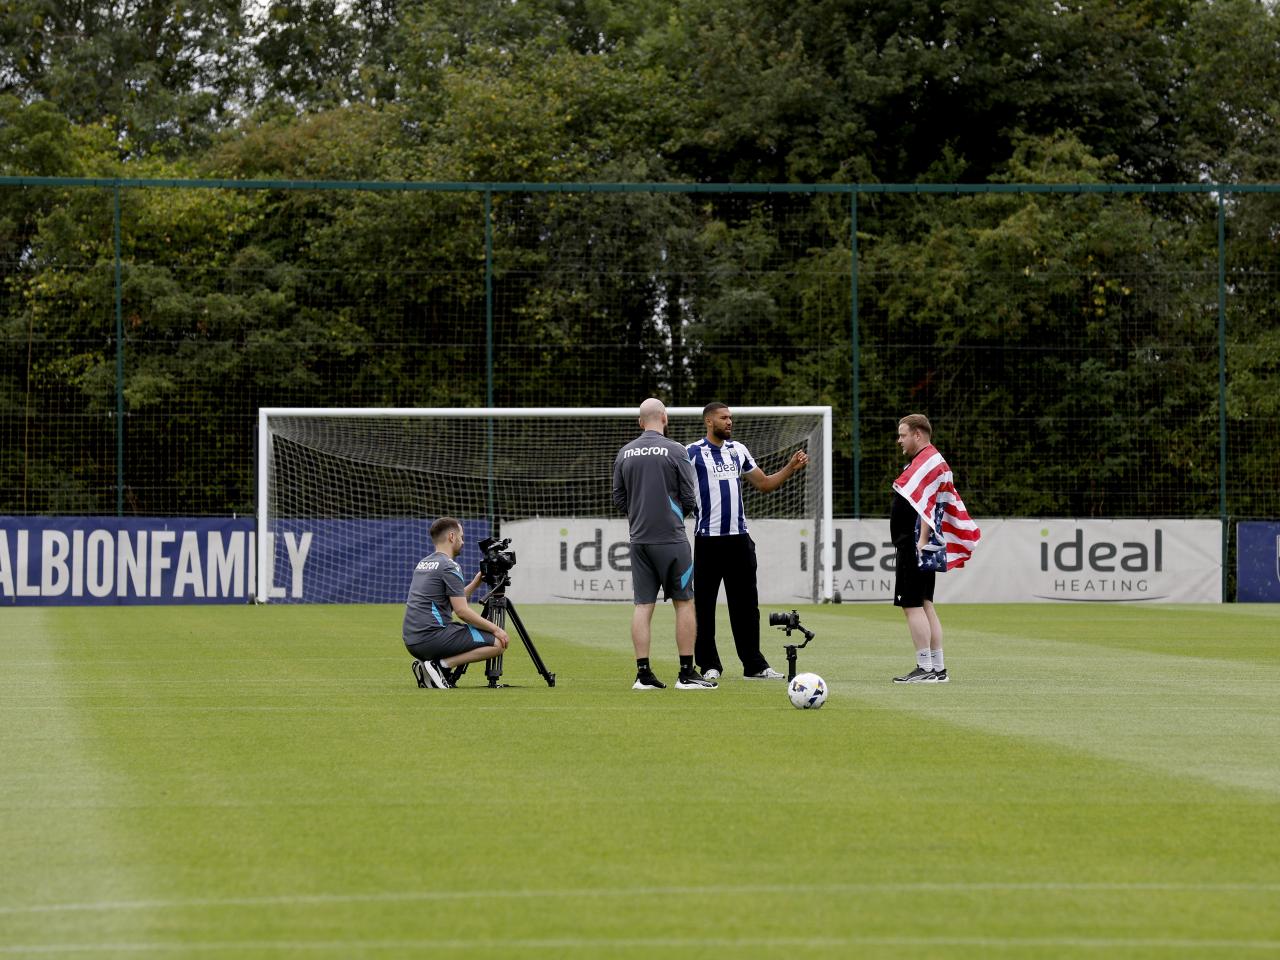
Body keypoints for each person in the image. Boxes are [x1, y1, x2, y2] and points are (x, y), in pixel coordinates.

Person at [686, 402, 809, 681]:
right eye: (723, 418)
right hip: (707, 542)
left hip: (739, 541)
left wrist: (790, 467)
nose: (729, 422)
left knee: (745, 606)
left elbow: (764, 484)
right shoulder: (691, 453)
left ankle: (754, 665)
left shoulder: (738, 450)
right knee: (703, 607)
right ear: (709, 422)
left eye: (730, 417)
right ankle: (708, 665)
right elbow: (676, 488)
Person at [612, 397, 716, 690]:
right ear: (665, 419)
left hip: (640, 539)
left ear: (640, 421)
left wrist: (640, 517)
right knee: (684, 602)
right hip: (671, 539)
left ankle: (643, 675)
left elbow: (618, 497)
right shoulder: (675, 450)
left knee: (643, 605)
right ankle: (686, 673)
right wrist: (673, 517)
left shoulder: (625, 452)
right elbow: (688, 496)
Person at [890, 413, 980, 684]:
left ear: (918, 434)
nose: (899, 440)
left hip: (914, 545)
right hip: (923, 545)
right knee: (926, 604)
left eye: (903, 435)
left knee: (912, 605)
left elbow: (928, 506)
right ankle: (937, 668)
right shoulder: (931, 461)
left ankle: (926, 669)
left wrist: (921, 541)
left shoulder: (927, 462)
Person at [403, 516, 509, 689]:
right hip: (431, 638)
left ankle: (428, 667)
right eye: (461, 537)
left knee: (479, 632)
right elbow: (462, 611)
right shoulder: (450, 566)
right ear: (452, 537)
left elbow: (449, 603)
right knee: (499, 643)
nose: (463, 541)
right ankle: (441, 666)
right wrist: (497, 629)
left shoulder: (424, 563)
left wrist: (476, 583)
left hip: (413, 640)